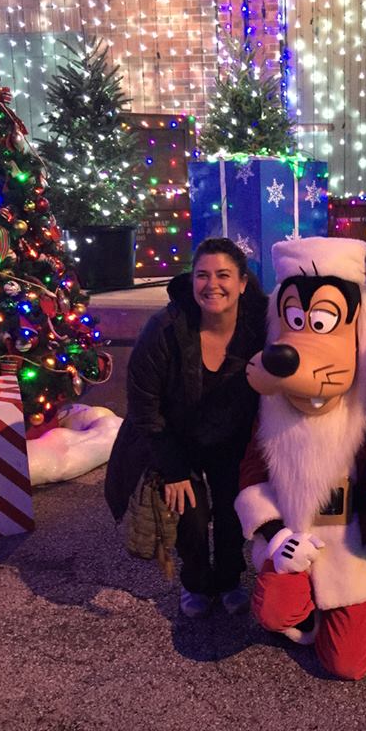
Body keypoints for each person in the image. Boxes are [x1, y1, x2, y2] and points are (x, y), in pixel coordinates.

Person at [105, 237, 267, 618]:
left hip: (232, 438)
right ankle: (195, 582)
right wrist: (173, 468)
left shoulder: (259, 327)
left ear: (243, 282)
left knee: (232, 512)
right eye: (203, 275)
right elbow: (144, 405)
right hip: (176, 438)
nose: (213, 285)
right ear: (191, 280)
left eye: (224, 275)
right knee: (192, 514)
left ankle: (229, 579)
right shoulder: (165, 328)